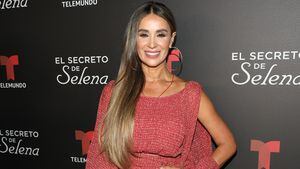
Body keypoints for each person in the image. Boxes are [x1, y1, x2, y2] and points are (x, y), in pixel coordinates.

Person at [85, 1, 236, 169]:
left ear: (171, 39)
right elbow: (99, 155)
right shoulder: (114, 91)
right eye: (143, 34)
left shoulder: (189, 93)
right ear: (134, 39)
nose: (152, 44)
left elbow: (228, 144)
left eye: (160, 35)